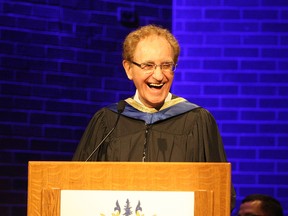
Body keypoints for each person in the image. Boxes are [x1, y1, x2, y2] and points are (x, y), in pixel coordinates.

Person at [72, 24, 236, 209]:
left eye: (166, 65)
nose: (158, 76)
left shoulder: (197, 121)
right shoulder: (107, 121)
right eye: (148, 65)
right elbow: (76, 188)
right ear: (128, 69)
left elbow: (221, 195)